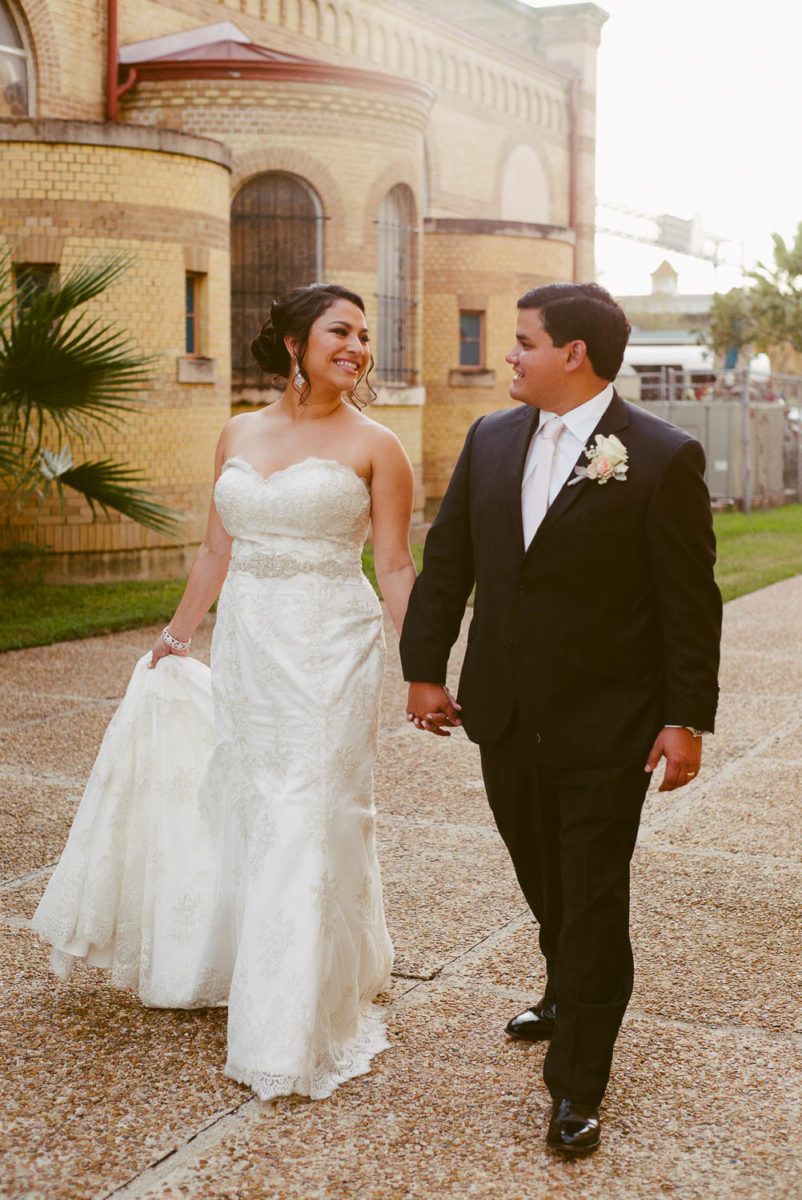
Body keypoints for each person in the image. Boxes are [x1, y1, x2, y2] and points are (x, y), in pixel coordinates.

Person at [32, 283, 417, 1102]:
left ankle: (288, 1024)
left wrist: (422, 665)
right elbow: (215, 549)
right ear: (293, 343)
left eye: (363, 336)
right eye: (338, 332)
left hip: (330, 648)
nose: (356, 347)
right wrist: (176, 636)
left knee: (309, 809)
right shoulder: (237, 431)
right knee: (253, 798)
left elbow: (391, 566)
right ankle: (261, 957)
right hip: (250, 642)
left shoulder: (380, 445)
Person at [400, 282, 722, 1155]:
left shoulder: (659, 456)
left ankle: (577, 1083)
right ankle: (562, 986)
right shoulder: (491, 437)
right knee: (543, 876)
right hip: (501, 714)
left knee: (590, 899)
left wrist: (685, 717)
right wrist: (423, 669)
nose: (509, 355)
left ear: (572, 354)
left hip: (608, 727)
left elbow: (689, 603)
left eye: (522, 342)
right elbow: (449, 561)